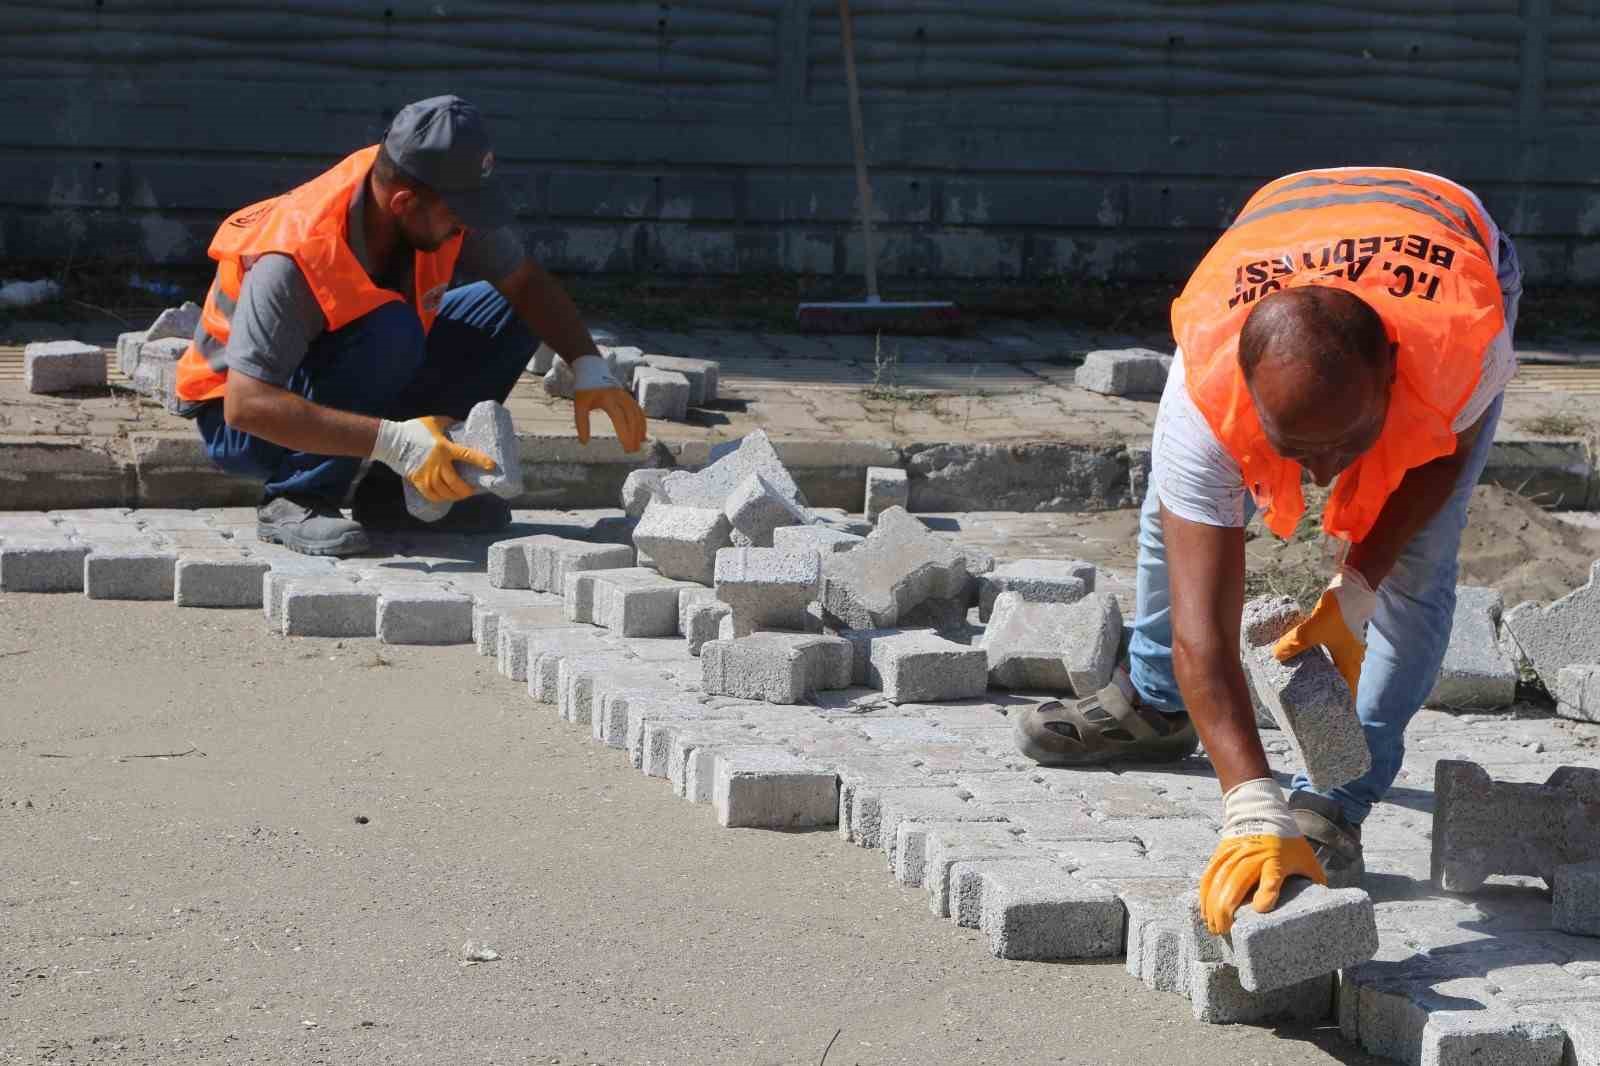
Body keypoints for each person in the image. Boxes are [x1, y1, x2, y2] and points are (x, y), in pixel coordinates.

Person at [1014, 167, 1522, 934]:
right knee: (1172, 513)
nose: (1320, 476)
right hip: (1281, 233)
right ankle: (1157, 705)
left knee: (1418, 568)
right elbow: (1205, 633)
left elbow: (1444, 459)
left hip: (1451, 236)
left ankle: (1337, 799)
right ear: (1245, 394)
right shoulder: (1203, 394)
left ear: (1393, 373)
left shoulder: (1459, 344)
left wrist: (1359, 586)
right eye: (1295, 449)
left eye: (1347, 441)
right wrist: (1249, 806)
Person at [173, 95, 645, 556]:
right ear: (403, 203)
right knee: (390, 329)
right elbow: (247, 405)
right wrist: (395, 442)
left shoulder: (426, 195)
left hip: (342, 366)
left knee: (504, 308)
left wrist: (588, 366)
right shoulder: (294, 254)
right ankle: (298, 496)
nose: (466, 228)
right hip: (246, 420)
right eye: (458, 216)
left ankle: (394, 496)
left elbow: (524, 284)